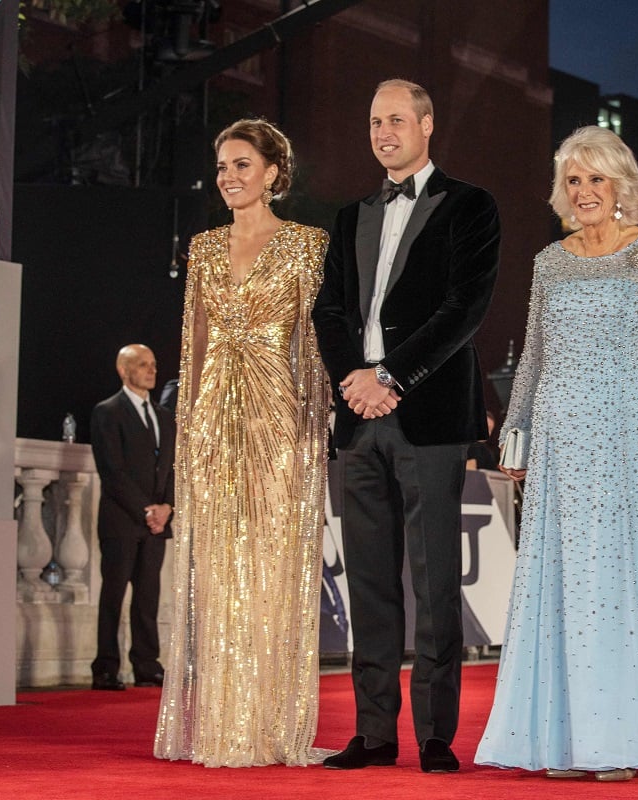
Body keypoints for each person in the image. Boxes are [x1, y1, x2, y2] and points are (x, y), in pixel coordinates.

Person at [473, 125, 638, 782]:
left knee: (620, 584)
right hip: (560, 441)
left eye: (595, 179)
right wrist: (514, 430)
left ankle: (619, 738)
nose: (583, 192)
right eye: (574, 181)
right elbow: (534, 356)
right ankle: (564, 741)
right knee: (565, 584)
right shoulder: (550, 261)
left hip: (632, 437)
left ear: (621, 186)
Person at [311, 78, 501, 774]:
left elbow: (464, 310)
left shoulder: (471, 206)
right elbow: (328, 312)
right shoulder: (349, 215)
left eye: (395, 119)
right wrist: (353, 382)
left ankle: (437, 736)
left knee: (436, 580)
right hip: (358, 422)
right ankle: (374, 733)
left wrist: (392, 376)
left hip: (428, 417)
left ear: (426, 124)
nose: (382, 131)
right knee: (369, 582)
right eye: (373, 121)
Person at [154, 119, 330, 767]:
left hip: (278, 413)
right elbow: (194, 342)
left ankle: (270, 727)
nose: (229, 176)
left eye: (242, 165)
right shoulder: (202, 248)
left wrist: (317, 419)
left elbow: (314, 342)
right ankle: (222, 728)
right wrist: (189, 428)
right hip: (211, 420)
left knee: (271, 564)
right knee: (219, 570)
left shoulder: (308, 245)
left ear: (274, 173)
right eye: (222, 166)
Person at [89, 344, 175, 691]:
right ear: (125, 371)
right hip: (121, 520)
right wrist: (147, 510)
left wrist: (168, 507)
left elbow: (171, 467)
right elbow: (112, 470)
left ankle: (147, 664)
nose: (152, 370)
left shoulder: (164, 416)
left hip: (157, 524)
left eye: (154, 364)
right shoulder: (107, 412)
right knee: (113, 594)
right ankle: (106, 667)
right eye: (143, 365)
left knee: (148, 596)